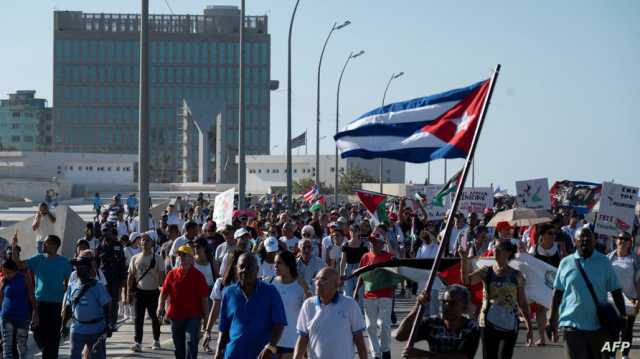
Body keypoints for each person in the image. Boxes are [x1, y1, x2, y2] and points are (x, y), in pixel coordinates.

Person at [461, 241, 533, 359]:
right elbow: (466, 281)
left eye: (499, 248)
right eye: (495, 248)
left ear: (508, 252)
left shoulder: (517, 275)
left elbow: (523, 303)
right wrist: (463, 259)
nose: (495, 250)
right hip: (488, 323)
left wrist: (529, 326)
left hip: (509, 323)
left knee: (504, 355)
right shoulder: (486, 271)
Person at [214, 253, 287, 359]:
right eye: (241, 266)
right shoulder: (229, 293)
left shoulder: (270, 291)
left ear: (257, 269)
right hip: (233, 354)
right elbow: (224, 328)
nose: (244, 270)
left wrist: (270, 347)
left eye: (249, 266)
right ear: (236, 269)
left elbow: (279, 323)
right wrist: (218, 351)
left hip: (262, 355)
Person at [12, 233, 71, 359]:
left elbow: (69, 283)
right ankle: (47, 351)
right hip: (40, 304)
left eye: (46, 242)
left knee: (53, 338)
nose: (43, 244)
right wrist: (14, 246)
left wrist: (65, 301)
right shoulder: (38, 259)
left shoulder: (64, 262)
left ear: (54, 245)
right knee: (38, 333)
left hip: (57, 305)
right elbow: (18, 264)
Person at [294, 267, 368, 359]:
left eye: (323, 280)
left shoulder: (350, 305)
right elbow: (302, 339)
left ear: (336, 285)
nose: (317, 283)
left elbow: (359, 340)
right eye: (316, 279)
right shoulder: (308, 305)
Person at [395, 285, 480, 359]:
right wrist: (417, 308)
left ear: (464, 307)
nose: (446, 306)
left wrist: (424, 355)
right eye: (444, 302)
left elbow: (462, 357)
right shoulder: (433, 323)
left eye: (452, 303)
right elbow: (400, 336)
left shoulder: (471, 328)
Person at [158, 245, 209, 359]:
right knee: (178, 347)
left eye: (185, 255)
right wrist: (159, 308)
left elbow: (204, 300)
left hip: (193, 316)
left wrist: (206, 322)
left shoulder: (198, 276)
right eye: (180, 255)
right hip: (176, 316)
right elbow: (164, 293)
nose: (181, 257)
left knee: (192, 343)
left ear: (191, 258)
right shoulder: (172, 274)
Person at [353, 225, 395, 359]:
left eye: (376, 242)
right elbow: (361, 275)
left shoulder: (390, 257)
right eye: (372, 241)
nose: (373, 244)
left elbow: (395, 276)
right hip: (369, 295)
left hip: (385, 295)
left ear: (382, 244)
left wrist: (392, 295)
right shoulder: (365, 257)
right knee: (370, 326)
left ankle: (385, 350)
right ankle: (376, 354)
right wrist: (355, 293)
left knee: (384, 325)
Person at [62, 250, 112, 359]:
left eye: (82, 266)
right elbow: (68, 307)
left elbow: (106, 306)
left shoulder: (98, 286)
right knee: (73, 356)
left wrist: (108, 325)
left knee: (97, 357)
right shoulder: (72, 286)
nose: (79, 269)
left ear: (89, 268)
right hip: (77, 328)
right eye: (77, 266)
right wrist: (64, 325)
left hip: (96, 330)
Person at [127, 234, 164, 352]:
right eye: (143, 240)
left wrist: (164, 293)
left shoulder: (158, 258)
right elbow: (131, 276)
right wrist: (129, 293)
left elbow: (162, 276)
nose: (145, 242)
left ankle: (156, 340)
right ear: (139, 243)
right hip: (139, 292)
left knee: (155, 317)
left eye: (148, 240)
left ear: (152, 243)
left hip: (154, 292)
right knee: (139, 318)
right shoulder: (134, 258)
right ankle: (138, 342)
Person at [203, 250, 245, 354]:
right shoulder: (221, 283)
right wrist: (207, 331)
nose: (244, 268)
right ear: (234, 264)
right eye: (241, 264)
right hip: (226, 333)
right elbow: (215, 309)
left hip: (246, 332)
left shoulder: (252, 285)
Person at [607, 231, 640, 359]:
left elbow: (638, 280)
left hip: (630, 300)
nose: (621, 241)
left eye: (625, 239)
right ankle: (612, 354)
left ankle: (625, 355)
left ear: (629, 243)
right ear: (616, 241)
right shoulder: (608, 258)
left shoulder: (635, 260)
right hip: (612, 300)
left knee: (627, 329)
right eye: (619, 238)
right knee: (613, 329)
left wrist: (638, 299)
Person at [271, 251, 307, 358]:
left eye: (279, 263)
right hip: (272, 341)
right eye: (274, 263)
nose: (275, 266)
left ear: (288, 265)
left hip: (293, 342)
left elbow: (310, 312)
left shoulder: (301, 285)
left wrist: (307, 290)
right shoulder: (271, 283)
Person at [0, 258, 37, 359]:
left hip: (22, 317)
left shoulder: (24, 278)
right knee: (6, 347)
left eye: (9, 272)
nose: (6, 275)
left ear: (15, 270)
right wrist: (2, 286)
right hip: (6, 317)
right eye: (4, 272)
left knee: (22, 347)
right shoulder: (4, 281)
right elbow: (1, 299)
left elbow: (31, 296)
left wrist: (35, 313)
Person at [96, 223, 127, 331]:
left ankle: (112, 323)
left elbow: (122, 262)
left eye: (107, 230)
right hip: (103, 278)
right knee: (103, 300)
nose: (105, 233)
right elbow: (96, 263)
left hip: (115, 277)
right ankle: (104, 322)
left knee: (114, 301)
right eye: (104, 230)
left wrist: (123, 278)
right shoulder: (99, 245)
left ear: (111, 231)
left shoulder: (118, 245)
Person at [341, 224, 369, 300]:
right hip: (349, 269)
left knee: (360, 293)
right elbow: (343, 260)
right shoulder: (345, 244)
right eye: (351, 230)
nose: (353, 232)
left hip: (360, 269)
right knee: (347, 293)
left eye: (355, 230)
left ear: (359, 232)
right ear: (349, 232)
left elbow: (366, 260)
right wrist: (342, 273)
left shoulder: (364, 245)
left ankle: (361, 311)